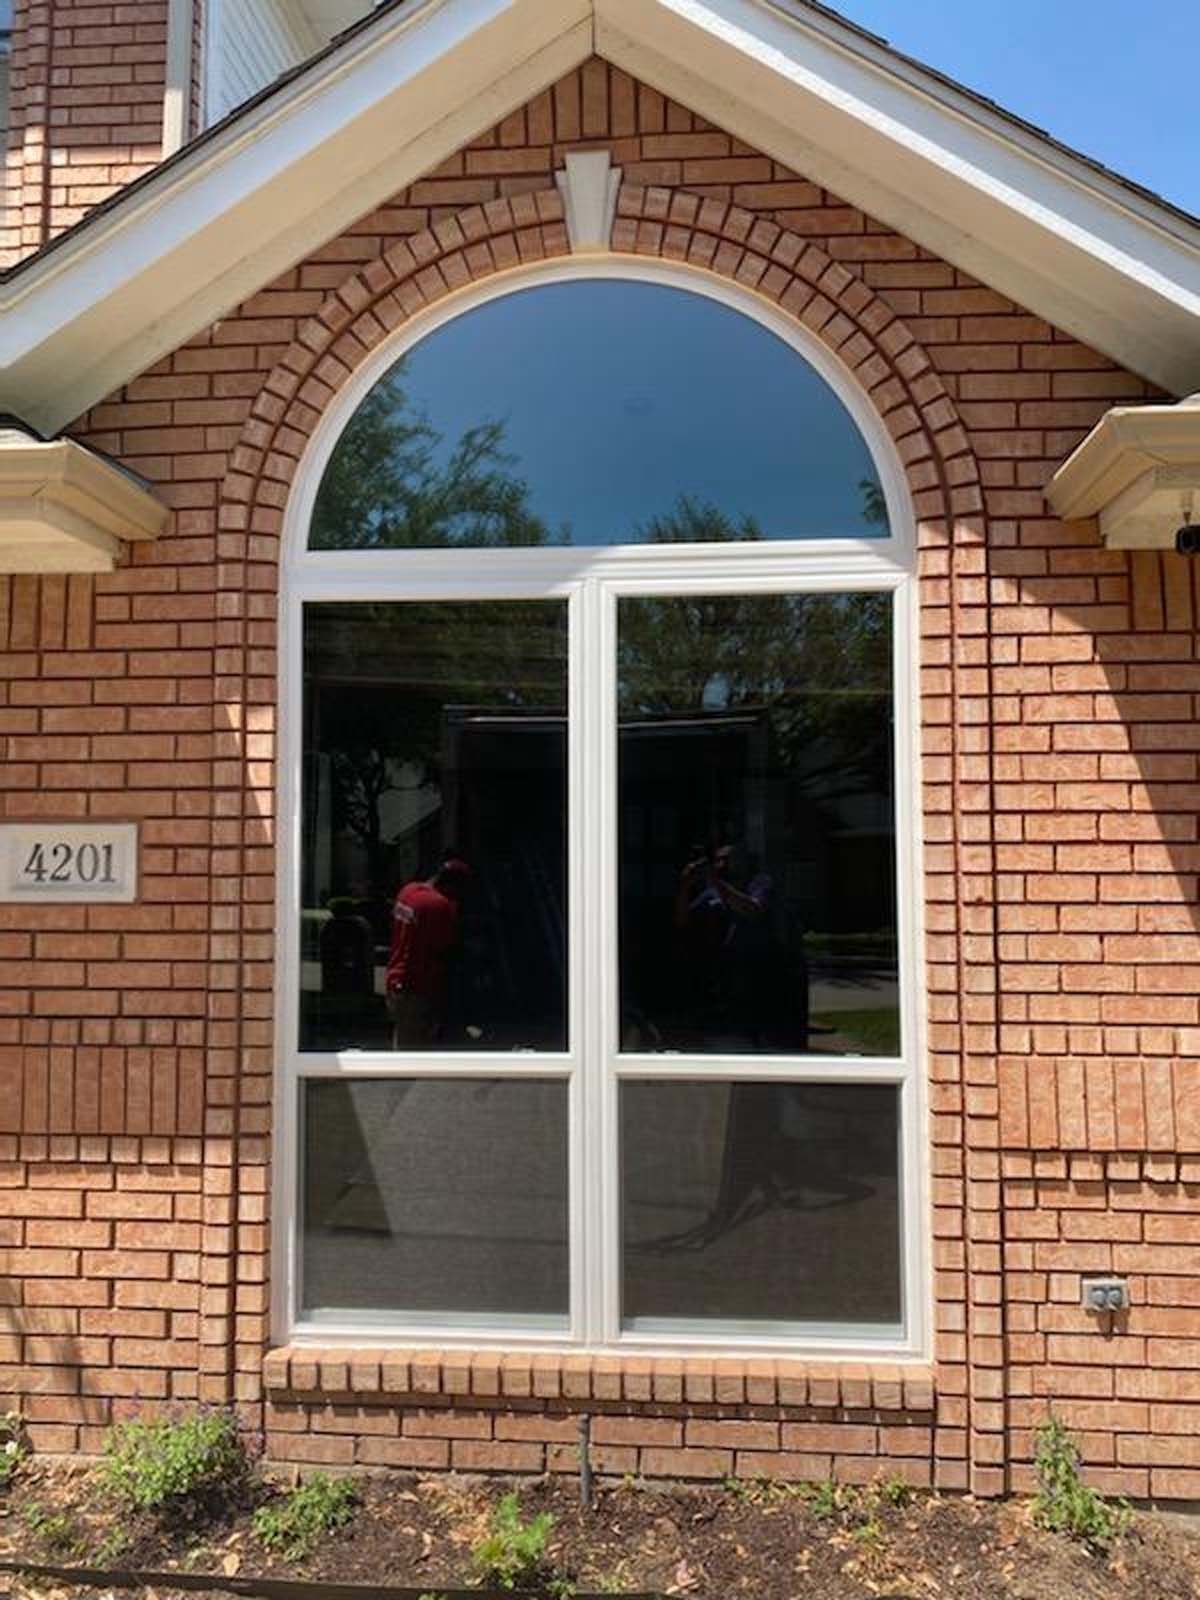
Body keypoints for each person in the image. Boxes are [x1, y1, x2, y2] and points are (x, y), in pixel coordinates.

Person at [385, 854, 470, 1048]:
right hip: (417, 987)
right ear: (452, 885)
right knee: (414, 1052)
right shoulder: (440, 906)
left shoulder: (408, 891)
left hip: (395, 979)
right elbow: (446, 948)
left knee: (402, 1039)